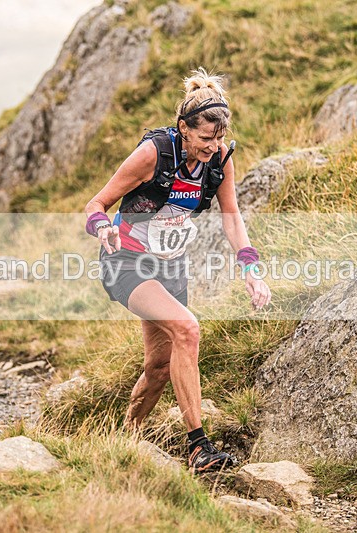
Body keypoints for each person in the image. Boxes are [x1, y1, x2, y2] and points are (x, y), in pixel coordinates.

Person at [84, 67, 271, 473]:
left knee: (158, 369)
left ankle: (123, 438)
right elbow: (95, 205)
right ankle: (199, 447)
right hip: (125, 263)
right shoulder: (153, 154)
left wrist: (250, 268)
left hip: (171, 268)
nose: (213, 146)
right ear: (183, 128)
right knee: (188, 329)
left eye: (219, 137)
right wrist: (102, 228)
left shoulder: (219, 159)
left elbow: (232, 217)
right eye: (205, 137)